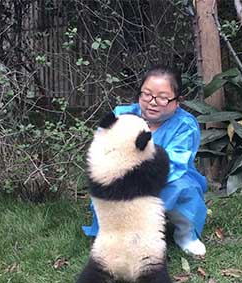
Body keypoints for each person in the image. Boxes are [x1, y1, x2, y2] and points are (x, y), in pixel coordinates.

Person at [82, 65, 208, 256]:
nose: (152, 102)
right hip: (119, 175)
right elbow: (101, 148)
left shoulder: (185, 126)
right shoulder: (120, 115)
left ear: (178, 101)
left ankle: (185, 234)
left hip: (167, 178)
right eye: (146, 94)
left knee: (184, 189)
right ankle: (112, 234)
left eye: (163, 98)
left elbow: (175, 163)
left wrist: (138, 182)